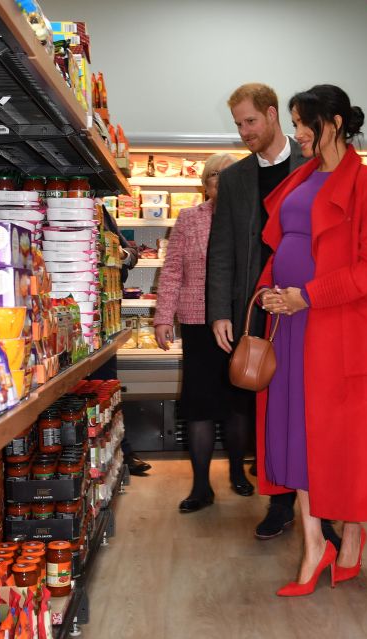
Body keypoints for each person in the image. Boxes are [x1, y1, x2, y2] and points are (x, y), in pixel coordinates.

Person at [256, 84, 367, 596]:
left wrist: (307, 296)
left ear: (332, 123)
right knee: (295, 434)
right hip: (292, 325)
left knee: (345, 440)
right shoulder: (301, 178)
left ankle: (352, 537)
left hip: (338, 330)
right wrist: (270, 290)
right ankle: (316, 544)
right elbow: (283, 244)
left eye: (301, 123)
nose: (295, 133)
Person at [206, 83, 310, 539]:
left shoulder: (313, 164)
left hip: (308, 305)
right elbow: (222, 249)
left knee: (306, 406)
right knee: (266, 408)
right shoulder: (233, 179)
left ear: (272, 115)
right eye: (238, 125)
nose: (244, 131)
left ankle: (317, 508)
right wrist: (220, 311)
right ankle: (280, 503)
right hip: (258, 311)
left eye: (250, 121)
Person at [154, 153, 254, 512]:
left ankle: (238, 473)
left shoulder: (251, 219)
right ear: (205, 183)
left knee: (238, 404)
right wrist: (163, 317)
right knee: (199, 407)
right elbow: (171, 272)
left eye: (229, 176)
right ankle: (200, 487)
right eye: (215, 176)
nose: (221, 182)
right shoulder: (189, 219)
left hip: (240, 322)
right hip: (197, 323)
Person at [92, 206, 150, 477]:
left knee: (106, 385)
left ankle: (119, 452)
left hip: (103, 315)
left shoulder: (102, 213)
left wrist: (121, 254)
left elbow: (131, 254)